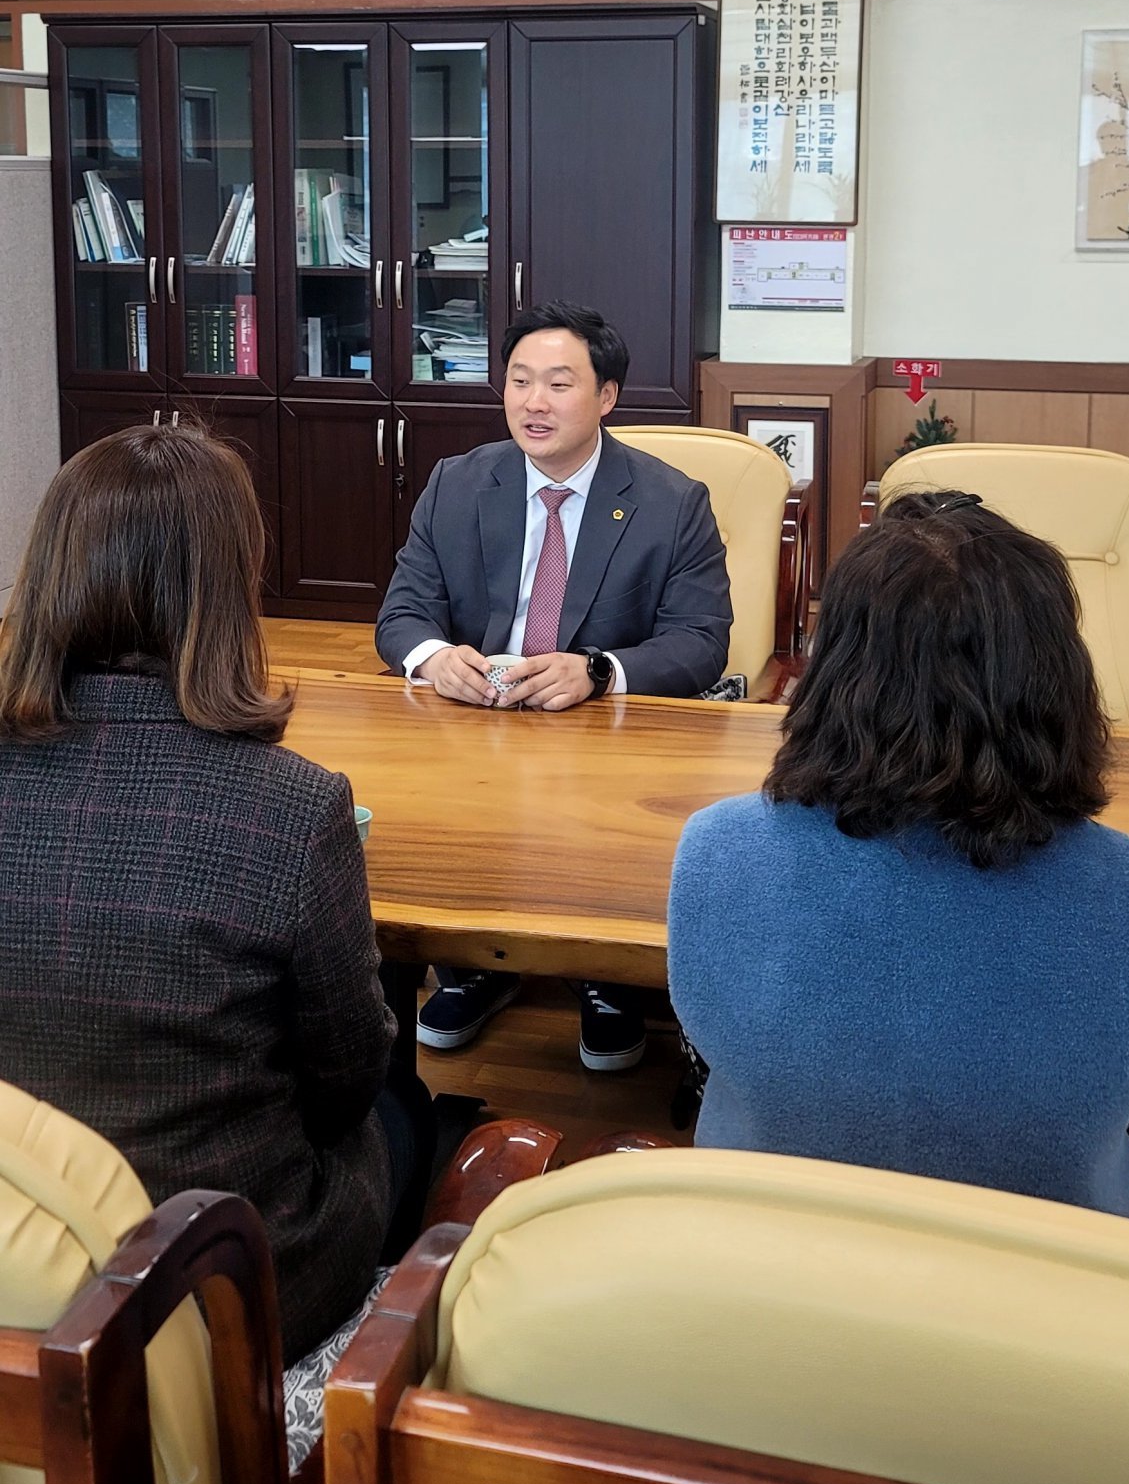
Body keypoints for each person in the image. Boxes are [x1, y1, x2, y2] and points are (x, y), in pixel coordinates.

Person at [0, 423, 433, 1364]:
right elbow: (344, 1083)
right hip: (214, 1284)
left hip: (16, 1252)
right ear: (228, 589)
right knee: (407, 1110)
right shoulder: (292, 806)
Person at [668, 490, 1129, 1219]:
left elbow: (712, 1066)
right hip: (1055, 1286)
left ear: (834, 666)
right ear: (1053, 675)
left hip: (771, 1270)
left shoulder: (713, 851)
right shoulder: (1120, 882)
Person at [376, 299, 733, 1070]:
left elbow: (701, 644)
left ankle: (604, 978)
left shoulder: (673, 504)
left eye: (559, 383)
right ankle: (468, 964)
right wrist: (436, 658)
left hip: (604, 736)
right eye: (518, 381)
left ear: (606, 396)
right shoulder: (456, 483)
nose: (533, 402)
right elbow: (401, 614)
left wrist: (601, 672)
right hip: (474, 728)